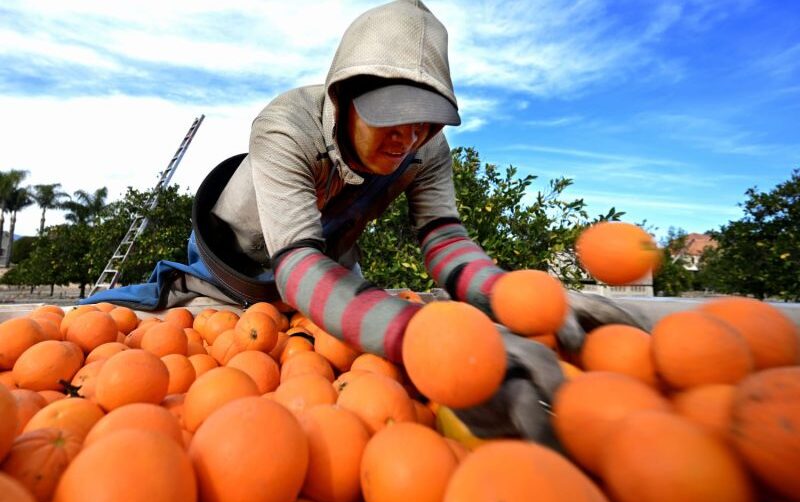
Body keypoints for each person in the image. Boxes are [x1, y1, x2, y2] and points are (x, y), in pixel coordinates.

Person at [84, 0, 645, 441]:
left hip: (324, 284)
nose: (409, 138)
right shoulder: (286, 127)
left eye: (425, 121)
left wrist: (519, 298)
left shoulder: (428, 150)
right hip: (232, 277)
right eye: (392, 118)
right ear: (343, 95)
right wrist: (419, 337)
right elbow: (296, 262)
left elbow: (445, 240)